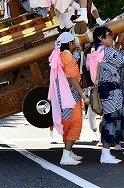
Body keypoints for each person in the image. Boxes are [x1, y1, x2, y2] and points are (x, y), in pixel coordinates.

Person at [48, 32, 89, 166]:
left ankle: (69, 152)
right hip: (71, 96)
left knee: (67, 122)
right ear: (70, 44)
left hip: (63, 95)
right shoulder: (67, 57)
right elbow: (72, 78)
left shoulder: (59, 55)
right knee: (75, 123)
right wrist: (83, 94)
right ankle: (66, 154)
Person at [90, 26, 124, 164]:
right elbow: (123, 61)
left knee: (107, 120)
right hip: (112, 91)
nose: (112, 38)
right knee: (111, 121)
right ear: (102, 38)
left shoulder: (96, 51)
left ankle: (106, 153)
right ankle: (105, 154)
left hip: (104, 90)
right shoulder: (108, 51)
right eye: (109, 36)